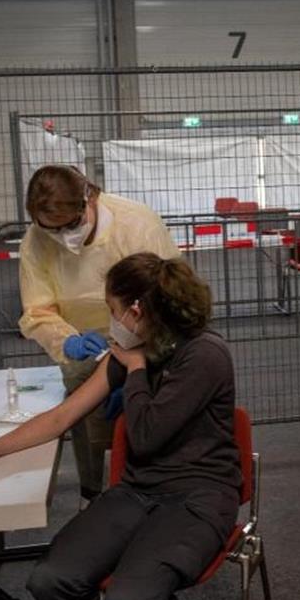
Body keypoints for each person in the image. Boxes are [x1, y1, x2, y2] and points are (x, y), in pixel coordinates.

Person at [0, 253, 240, 600]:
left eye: (113, 310)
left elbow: (146, 437)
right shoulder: (134, 350)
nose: (111, 320)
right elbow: (63, 416)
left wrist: (135, 372)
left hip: (199, 495)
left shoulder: (204, 355)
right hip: (138, 490)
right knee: (50, 581)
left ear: (137, 311)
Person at [19, 165, 180, 507]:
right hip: (84, 345)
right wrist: (67, 341)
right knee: (85, 423)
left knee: (149, 423)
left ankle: (157, 491)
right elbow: (38, 309)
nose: (63, 237)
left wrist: (139, 365)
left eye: (70, 225)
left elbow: (167, 302)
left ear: (89, 198)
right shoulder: (36, 240)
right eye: (52, 231)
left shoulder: (137, 225)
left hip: (145, 341)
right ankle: (92, 495)